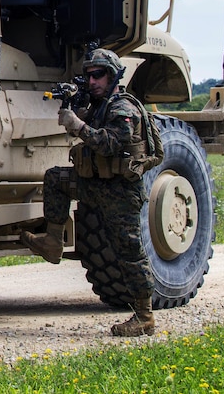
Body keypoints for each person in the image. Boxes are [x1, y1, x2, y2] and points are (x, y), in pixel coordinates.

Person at [20, 48, 156, 337]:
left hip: (121, 193)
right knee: (56, 179)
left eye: (99, 75)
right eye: (89, 75)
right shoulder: (100, 105)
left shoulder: (123, 108)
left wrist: (79, 126)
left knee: (129, 252)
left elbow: (110, 144)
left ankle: (144, 316)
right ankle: (52, 242)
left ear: (114, 76)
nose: (92, 81)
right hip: (97, 185)